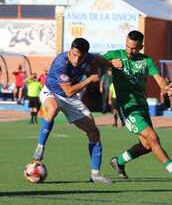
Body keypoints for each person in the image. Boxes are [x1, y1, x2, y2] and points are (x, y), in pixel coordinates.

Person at [103, 30, 172, 185]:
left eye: (134, 48)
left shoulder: (146, 61)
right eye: (128, 46)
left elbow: (158, 78)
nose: (129, 51)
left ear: (141, 47)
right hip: (128, 108)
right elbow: (94, 61)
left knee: (146, 145)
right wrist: (110, 63)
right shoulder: (116, 54)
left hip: (142, 107)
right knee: (153, 138)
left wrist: (166, 88)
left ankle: (118, 161)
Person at [31, 37, 119, 183]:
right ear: (70, 50)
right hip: (52, 92)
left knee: (94, 132)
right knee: (52, 108)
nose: (77, 59)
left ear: (85, 54)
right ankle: (40, 147)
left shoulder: (88, 57)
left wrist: (110, 63)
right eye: (74, 54)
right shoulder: (61, 62)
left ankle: (95, 174)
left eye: (80, 56)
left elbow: (98, 59)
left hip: (70, 99)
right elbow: (69, 91)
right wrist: (90, 79)